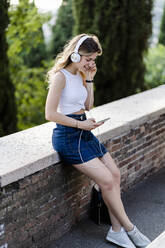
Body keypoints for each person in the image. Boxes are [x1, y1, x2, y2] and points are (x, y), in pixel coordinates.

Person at [45, 34, 151, 248]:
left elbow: (88, 105)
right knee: (106, 181)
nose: (92, 63)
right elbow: (49, 114)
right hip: (68, 137)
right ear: (75, 55)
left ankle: (116, 231)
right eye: (89, 59)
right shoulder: (60, 77)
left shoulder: (82, 75)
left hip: (85, 132)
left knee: (115, 174)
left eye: (94, 59)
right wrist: (79, 124)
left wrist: (90, 79)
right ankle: (131, 229)